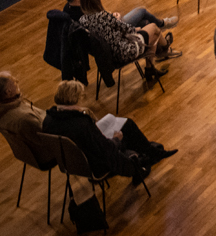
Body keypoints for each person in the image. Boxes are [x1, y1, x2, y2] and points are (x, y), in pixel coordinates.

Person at [41, 79, 175, 184]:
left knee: (121, 124)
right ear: (74, 99)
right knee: (127, 126)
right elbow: (106, 150)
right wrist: (117, 139)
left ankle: (149, 152)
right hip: (98, 164)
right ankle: (147, 156)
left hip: (73, 164)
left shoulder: (49, 120)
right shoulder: (81, 124)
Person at [76, 0, 175, 81]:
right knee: (153, 28)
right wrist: (134, 27)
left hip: (108, 57)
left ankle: (151, 68)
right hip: (125, 51)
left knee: (148, 28)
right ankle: (165, 47)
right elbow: (127, 29)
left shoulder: (82, 21)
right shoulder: (104, 16)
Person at [0, 71, 55, 165]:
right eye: (13, 82)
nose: (17, 81)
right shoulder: (24, 118)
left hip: (27, 153)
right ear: (8, 92)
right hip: (45, 154)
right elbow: (49, 140)